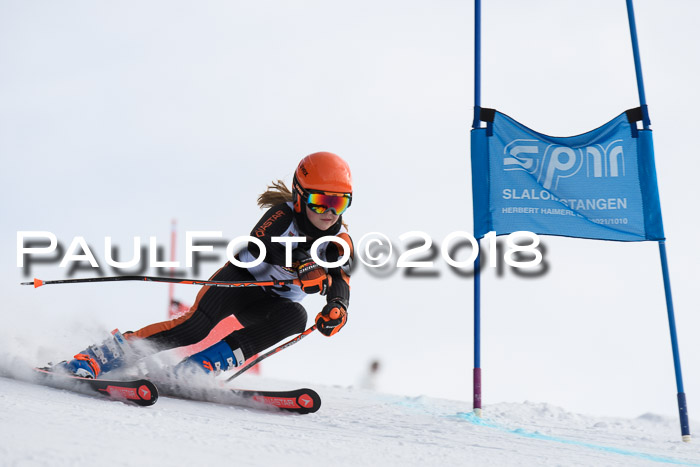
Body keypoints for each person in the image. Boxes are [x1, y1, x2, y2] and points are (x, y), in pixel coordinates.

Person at [55, 151, 354, 379]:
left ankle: (198, 368)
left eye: (338, 203)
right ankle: (98, 358)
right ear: (300, 197)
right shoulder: (283, 215)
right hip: (239, 282)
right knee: (194, 328)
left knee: (296, 318)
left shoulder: (340, 241)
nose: (328, 212)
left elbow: (341, 280)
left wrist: (337, 307)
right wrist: (300, 263)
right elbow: (258, 243)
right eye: (319, 201)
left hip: (272, 304)